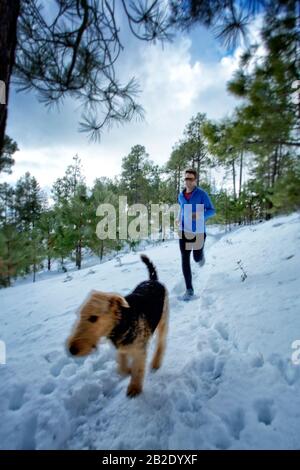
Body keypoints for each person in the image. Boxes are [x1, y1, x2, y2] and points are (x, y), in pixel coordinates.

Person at [176, 168, 216, 301]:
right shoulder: (181, 195)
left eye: (191, 179)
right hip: (184, 231)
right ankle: (189, 289)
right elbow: (181, 208)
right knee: (184, 258)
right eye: (186, 178)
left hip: (198, 231)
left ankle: (200, 256)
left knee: (196, 258)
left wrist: (199, 215)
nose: (188, 181)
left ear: (195, 180)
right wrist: (178, 218)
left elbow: (212, 210)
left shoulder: (201, 194)